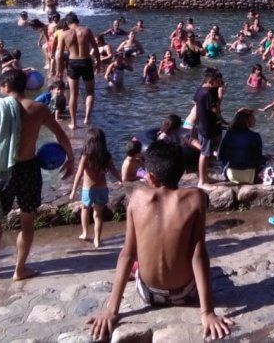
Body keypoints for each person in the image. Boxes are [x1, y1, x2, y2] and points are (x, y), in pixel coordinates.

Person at [86, 141, 233, 341]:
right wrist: (207, 313)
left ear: (152, 178)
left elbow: (127, 254)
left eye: (145, 173)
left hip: (147, 293)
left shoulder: (137, 198)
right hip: (185, 293)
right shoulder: (196, 198)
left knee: (135, 261)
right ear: (181, 172)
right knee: (213, 269)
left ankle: (137, 271)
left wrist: (112, 311)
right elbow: (198, 254)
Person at [0, 69, 74, 281]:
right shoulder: (38, 109)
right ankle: (19, 269)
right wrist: (71, 159)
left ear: (5, 87)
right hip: (29, 168)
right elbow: (61, 135)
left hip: (3, 169)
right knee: (27, 219)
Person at [70, 127, 122, 248]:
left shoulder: (86, 156)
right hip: (102, 189)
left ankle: (85, 233)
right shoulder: (106, 156)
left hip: (88, 190)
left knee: (85, 210)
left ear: (88, 142)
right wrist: (120, 180)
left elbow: (79, 173)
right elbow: (114, 170)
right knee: (98, 214)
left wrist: (73, 190)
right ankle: (97, 240)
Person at [55, 12, 101, 129]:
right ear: (77, 20)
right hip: (86, 62)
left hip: (73, 63)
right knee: (90, 92)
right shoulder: (87, 30)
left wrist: (59, 69)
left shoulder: (63, 34)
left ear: (67, 22)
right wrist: (99, 63)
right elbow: (95, 49)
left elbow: (59, 55)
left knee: (73, 95)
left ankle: (74, 123)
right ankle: (87, 118)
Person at [217, 108, 266, 184]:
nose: (255, 120)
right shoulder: (255, 136)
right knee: (264, 164)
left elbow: (219, 156)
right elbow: (258, 160)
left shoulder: (229, 134)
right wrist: (265, 158)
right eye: (253, 117)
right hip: (250, 176)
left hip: (231, 175)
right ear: (247, 121)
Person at [195, 71, 224, 187]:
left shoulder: (200, 90)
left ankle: (205, 177)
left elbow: (195, 102)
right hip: (207, 128)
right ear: (211, 81)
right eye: (218, 82)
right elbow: (215, 110)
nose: (220, 84)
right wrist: (220, 97)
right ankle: (201, 181)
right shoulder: (208, 93)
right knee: (204, 154)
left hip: (202, 125)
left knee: (205, 153)